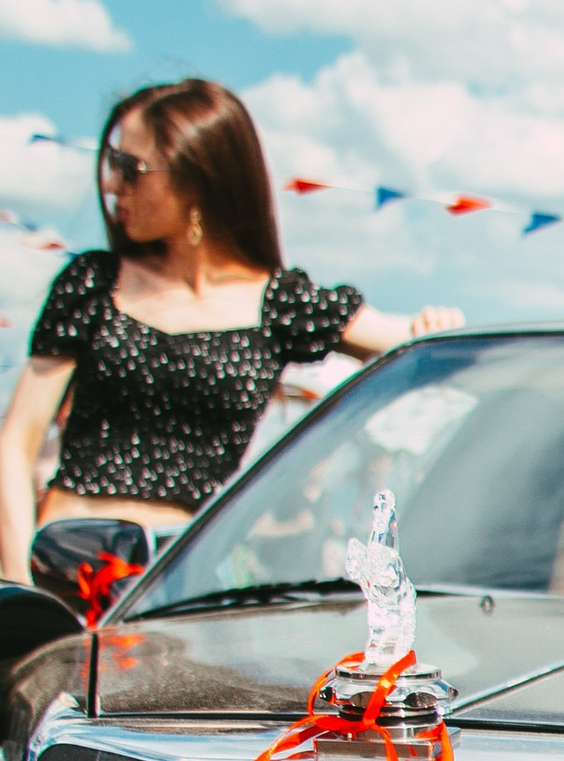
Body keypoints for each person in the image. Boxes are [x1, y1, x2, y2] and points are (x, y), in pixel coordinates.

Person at [0, 80, 461, 586]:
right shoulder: (93, 283)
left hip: (179, 584)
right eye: (112, 163)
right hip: (67, 563)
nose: (112, 185)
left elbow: (409, 342)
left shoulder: (281, 303)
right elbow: (17, 441)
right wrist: (20, 584)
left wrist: (434, 328)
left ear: (197, 177)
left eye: (131, 168)